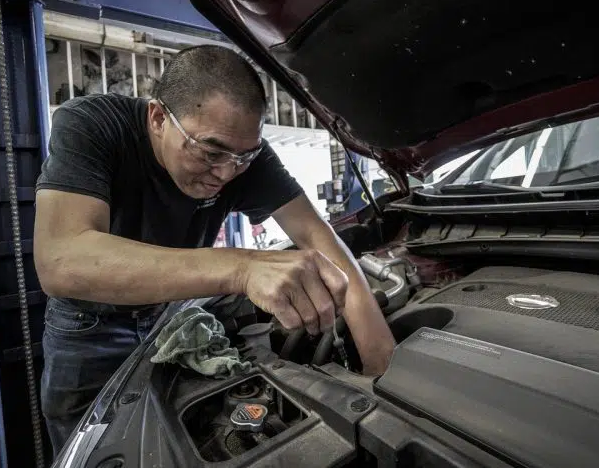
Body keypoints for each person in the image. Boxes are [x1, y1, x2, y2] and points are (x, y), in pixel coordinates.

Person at [33, 45, 395, 455]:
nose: (226, 172)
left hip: (174, 313)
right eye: (210, 152)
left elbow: (317, 236)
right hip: (89, 326)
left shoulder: (242, 155)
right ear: (157, 118)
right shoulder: (93, 125)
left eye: (244, 156)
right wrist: (242, 268)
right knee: (93, 450)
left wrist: (380, 361)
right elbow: (61, 260)